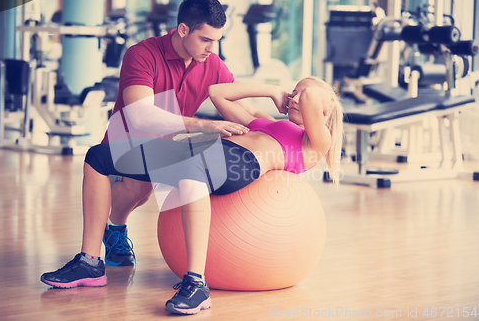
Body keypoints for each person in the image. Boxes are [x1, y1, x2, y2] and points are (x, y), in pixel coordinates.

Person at [40, 76, 344, 315]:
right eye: (293, 92)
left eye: (299, 95)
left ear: (323, 110)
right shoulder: (267, 121)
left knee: (192, 172)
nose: (293, 98)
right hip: (197, 145)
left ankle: (196, 284)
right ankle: (90, 262)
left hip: (239, 161)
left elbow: (316, 97)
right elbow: (217, 92)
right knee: (98, 157)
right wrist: (272, 90)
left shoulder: (315, 143)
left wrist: (310, 94)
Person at [99, 0, 250, 267]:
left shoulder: (211, 64)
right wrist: (205, 125)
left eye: (216, 41)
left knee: (201, 173)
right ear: (183, 29)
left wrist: (278, 126)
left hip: (167, 147)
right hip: (124, 146)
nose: (211, 49)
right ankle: (115, 229)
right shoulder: (142, 54)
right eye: (205, 39)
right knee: (140, 188)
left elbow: (241, 108)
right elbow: (141, 116)